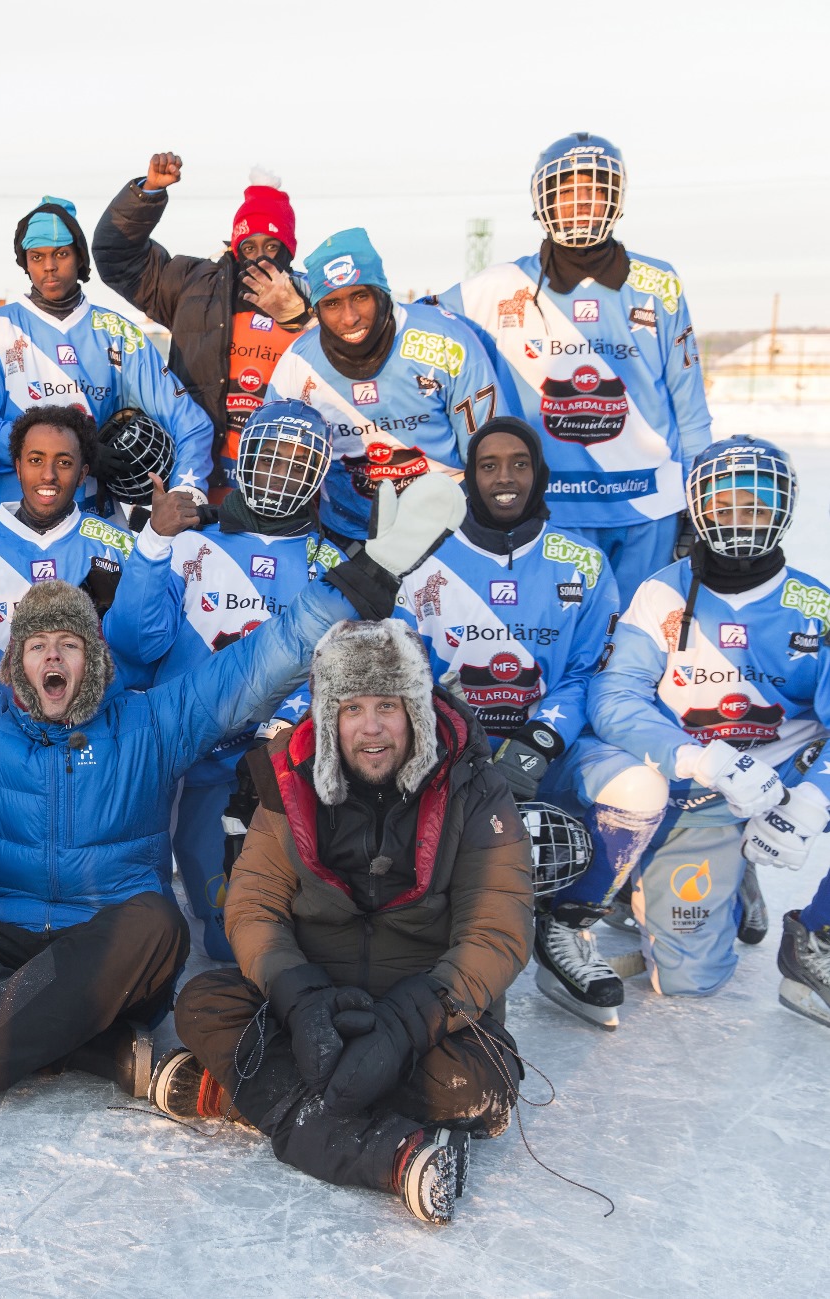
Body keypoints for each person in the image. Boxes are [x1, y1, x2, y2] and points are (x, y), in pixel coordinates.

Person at [0, 454, 466, 1115]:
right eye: (38, 645)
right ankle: (94, 1049)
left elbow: (268, 657)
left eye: (69, 643)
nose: (53, 657)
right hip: (7, 941)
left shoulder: (151, 722)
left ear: (91, 658)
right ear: (16, 662)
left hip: (111, 951)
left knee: (157, 922)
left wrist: (368, 574)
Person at [160, 618, 532, 1225]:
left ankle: (247, 1094)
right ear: (329, 716)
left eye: (387, 705)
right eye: (352, 708)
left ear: (416, 709)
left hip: (427, 1009)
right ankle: (392, 1153)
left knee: (477, 1087)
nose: (371, 727)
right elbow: (254, 904)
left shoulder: (475, 784)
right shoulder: (289, 776)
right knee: (204, 1005)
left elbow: (499, 926)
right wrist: (299, 996)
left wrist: (406, 1025)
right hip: (314, 1004)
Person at [545, 436, 830, 1027]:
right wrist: (704, 760)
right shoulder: (662, 593)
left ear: (782, 510)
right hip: (699, 792)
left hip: (782, 779)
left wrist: (812, 800)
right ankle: (718, 870)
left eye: (755, 506)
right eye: (725, 505)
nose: (740, 520)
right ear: (699, 510)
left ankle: (818, 931)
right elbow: (614, 698)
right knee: (686, 981)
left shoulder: (815, 605)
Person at [426, 133, 713, 601]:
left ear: (615, 198)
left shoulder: (658, 282)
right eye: (567, 190)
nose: (581, 202)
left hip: (648, 506)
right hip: (546, 507)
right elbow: (404, 327)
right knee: (556, 637)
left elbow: (689, 402)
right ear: (543, 200)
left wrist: (701, 501)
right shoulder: (498, 285)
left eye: (594, 189)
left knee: (638, 636)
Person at [151, 401, 344, 961]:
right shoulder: (190, 541)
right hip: (182, 753)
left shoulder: (330, 564)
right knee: (161, 915)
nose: (280, 474)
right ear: (245, 459)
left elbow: (340, 667)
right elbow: (137, 644)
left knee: (237, 936)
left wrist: (284, 725)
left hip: (264, 769)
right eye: (270, 458)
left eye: (296, 462)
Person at [394, 416, 619, 807]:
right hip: (443, 750)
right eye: (488, 466)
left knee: (633, 785)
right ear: (470, 476)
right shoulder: (421, 556)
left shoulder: (584, 561)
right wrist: (448, 738)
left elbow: (588, 672)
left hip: (553, 751)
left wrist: (540, 741)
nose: (505, 477)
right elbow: (399, 670)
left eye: (520, 464)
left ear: (539, 473)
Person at [0, 195, 213, 519]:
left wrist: (185, 496)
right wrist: (78, 452)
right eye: (37, 256)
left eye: (61, 254)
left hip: (91, 523)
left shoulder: (117, 333)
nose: (49, 266)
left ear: (79, 256)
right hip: (1, 521)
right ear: (25, 262)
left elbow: (191, 425)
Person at [266, 229, 505, 541]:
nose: (349, 318)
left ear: (382, 293)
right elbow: (272, 465)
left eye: (360, 297)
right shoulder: (299, 361)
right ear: (317, 310)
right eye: (333, 303)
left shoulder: (446, 339)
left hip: (447, 532)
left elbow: (493, 450)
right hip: (347, 537)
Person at [91, 157, 312, 488]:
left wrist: (302, 317)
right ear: (236, 247)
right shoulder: (193, 284)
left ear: (289, 249)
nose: (259, 257)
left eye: (271, 245)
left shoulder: (314, 296)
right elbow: (116, 256)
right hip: (200, 474)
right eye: (249, 246)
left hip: (280, 482)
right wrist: (147, 193)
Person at [0, 406, 174, 691]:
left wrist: (157, 542)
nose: (48, 475)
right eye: (36, 460)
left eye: (63, 462)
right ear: (18, 467)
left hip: (93, 718)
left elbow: (145, 651)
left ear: (82, 474)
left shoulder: (119, 546)